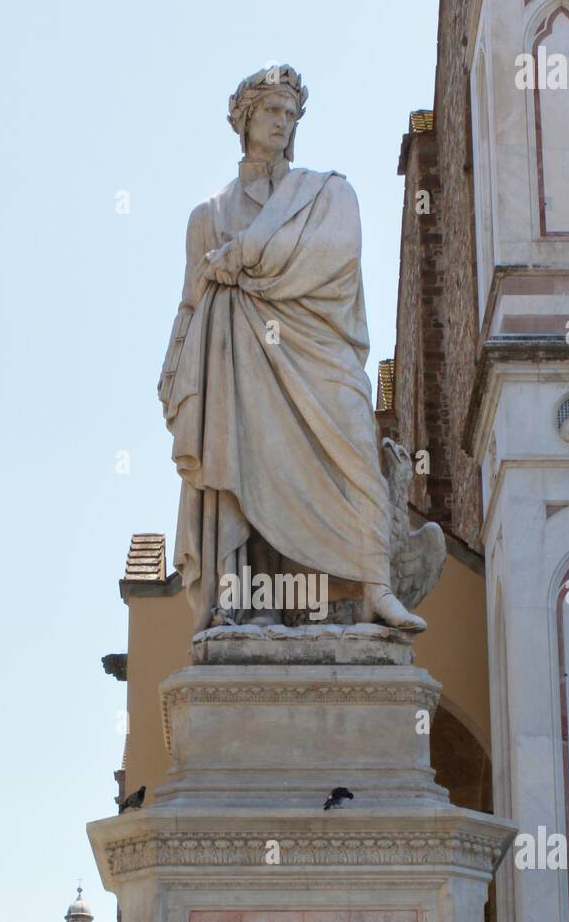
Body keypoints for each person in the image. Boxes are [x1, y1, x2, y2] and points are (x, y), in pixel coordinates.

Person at [157, 65, 425, 633]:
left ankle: (374, 585)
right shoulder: (208, 215)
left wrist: (246, 254)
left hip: (317, 347)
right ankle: (246, 603)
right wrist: (176, 366)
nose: (281, 122)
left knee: (357, 445)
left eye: (289, 113)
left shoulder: (328, 193)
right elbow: (190, 300)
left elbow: (337, 255)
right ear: (245, 120)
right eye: (270, 111)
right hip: (237, 356)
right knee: (242, 464)